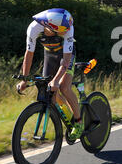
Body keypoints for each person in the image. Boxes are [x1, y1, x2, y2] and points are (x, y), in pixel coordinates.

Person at [16, 8, 84, 140]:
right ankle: (66, 116)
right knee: (51, 93)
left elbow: (65, 61)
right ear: (50, 26)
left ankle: (78, 122)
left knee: (63, 87)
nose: (67, 30)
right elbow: (29, 54)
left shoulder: (68, 28)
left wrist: (57, 79)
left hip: (66, 56)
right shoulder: (34, 28)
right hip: (50, 55)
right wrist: (24, 79)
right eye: (63, 30)